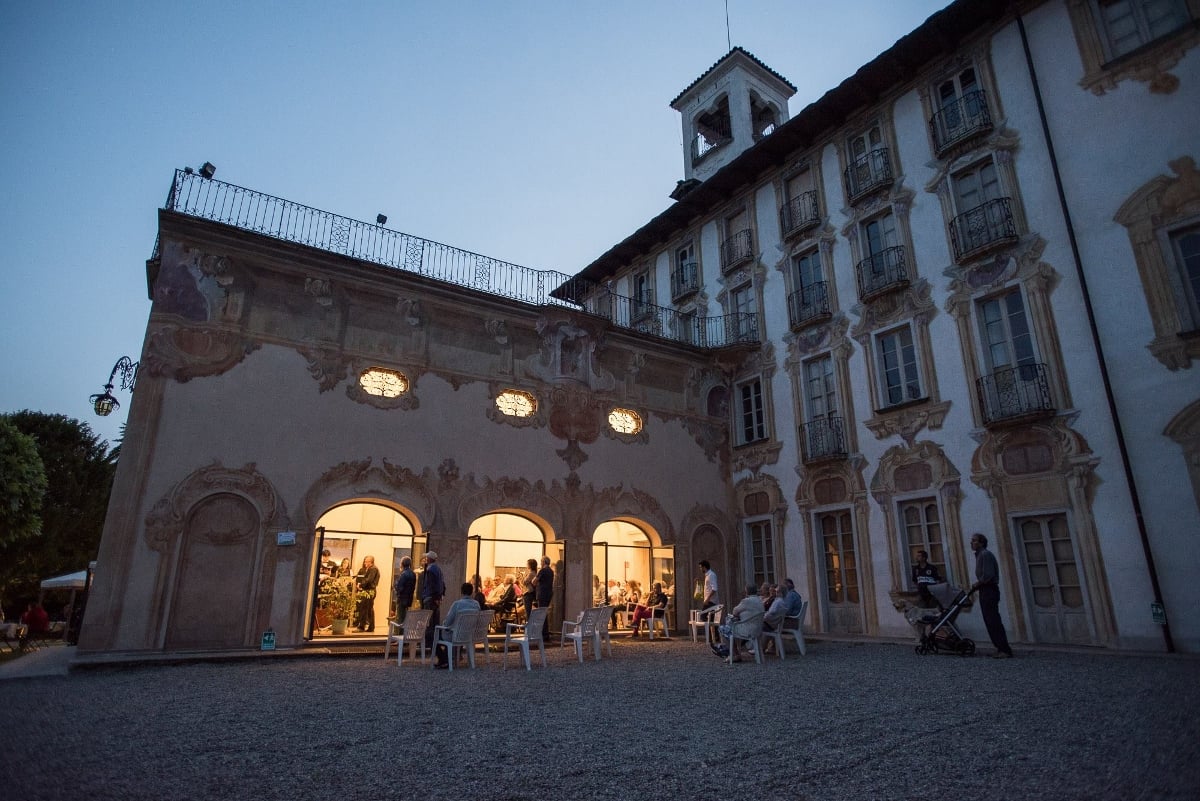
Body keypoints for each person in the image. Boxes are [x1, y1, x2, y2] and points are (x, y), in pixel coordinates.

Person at [970, 533, 1013, 659]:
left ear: (981, 543)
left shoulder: (985, 555)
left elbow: (988, 575)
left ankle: (1004, 649)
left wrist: (977, 583)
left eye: (974, 541)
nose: (971, 543)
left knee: (993, 620)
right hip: (985, 590)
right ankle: (1000, 648)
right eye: (972, 540)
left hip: (989, 590)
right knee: (989, 620)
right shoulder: (980, 555)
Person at [712, 584, 764, 663]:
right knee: (731, 627)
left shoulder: (746, 601)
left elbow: (735, 611)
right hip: (758, 629)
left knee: (723, 629)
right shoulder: (760, 600)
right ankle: (736, 653)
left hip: (747, 629)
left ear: (747, 591)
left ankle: (733, 654)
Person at [434, 582, 481, 669]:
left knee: (433, 636)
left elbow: (448, 622)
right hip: (468, 635)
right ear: (472, 592)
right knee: (454, 632)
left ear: (461, 592)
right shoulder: (476, 604)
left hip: (455, 635)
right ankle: (455, 655)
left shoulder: (457, 604)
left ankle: (444, 659)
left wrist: (444, 625)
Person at [421, 551, 446, 651]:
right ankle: (436, 640)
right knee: (435, 621)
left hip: (430, 598)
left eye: (427, 558)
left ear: (429, 559)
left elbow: (431, 585)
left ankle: (430, 642)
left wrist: (435, 597)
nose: (425, 559)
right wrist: (440, 597)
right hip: (436, 598)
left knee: (429, 621)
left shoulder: (430, 569)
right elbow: (442, 584)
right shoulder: (438, 569)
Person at [354, 556, 380, 632]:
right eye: (365, 561)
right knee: (367, 609)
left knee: (367, 609)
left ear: (370, 562)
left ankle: (364, 627)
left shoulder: (373, 569)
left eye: (366, 561)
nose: (365, 563)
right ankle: (368, 627)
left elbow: (369, 580)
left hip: (369, 591)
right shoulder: (372, 569)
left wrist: (360, 585)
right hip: (369, 591)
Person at [698, 560, 719, 643]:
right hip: (710, 601)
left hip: (711, 602)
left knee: (703, 616)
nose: (700, 569)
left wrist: (707, 599)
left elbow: (714, 589)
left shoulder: (711, 575)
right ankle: (714, 637)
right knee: (711, 619)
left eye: (700, 567)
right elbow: (709, 586)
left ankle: (713, 636)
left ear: (704, 567)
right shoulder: (708, 576)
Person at [535, 556, 554, 641]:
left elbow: (534, 581)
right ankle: (545, 634)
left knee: (542, 614)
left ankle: (543, 634)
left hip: (542, 594)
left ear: (544, 562)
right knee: (544, 613)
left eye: (541, 561)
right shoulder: (551, 571)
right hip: (548, 594)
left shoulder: (542, 571)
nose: (540, 562)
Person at [392, 556, 416, 624]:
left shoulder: (403, 574)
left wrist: (396, 587)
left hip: (402, 599)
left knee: (400, 617)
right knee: (405, 616)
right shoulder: (413, 574)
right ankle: (403, 631)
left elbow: (400, 587)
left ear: (402, 564)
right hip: (409, 598)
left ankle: (399, 633)